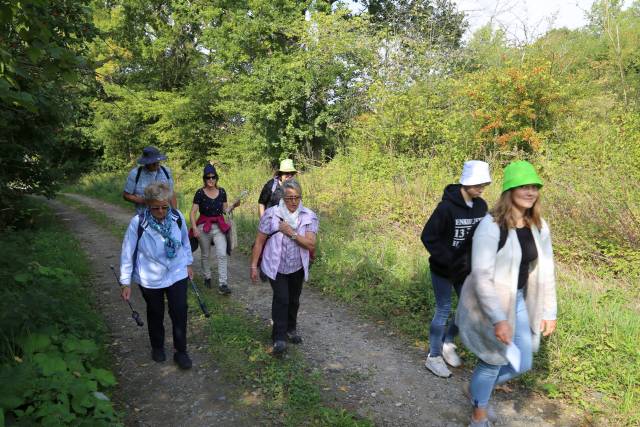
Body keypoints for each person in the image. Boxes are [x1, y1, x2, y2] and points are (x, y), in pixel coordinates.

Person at [456, 161, 557, 427]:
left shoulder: (539, 226)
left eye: (534, 186)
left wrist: (549, 310)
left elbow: (546, 269)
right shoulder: (491, 226)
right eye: (524, 186)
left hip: (520, 300)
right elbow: (481, 276)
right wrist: (499, 318)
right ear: (509, 190)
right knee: (492, 361)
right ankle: (479, 415)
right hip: (488, 305)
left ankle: (478, 390)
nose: (530, 191)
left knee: (522, 363)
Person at [421, 160, 491, 378]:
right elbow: (428, 237)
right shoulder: (446, 208)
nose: (481, 189)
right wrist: (447, 260)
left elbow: (484, 237)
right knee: (443, 309)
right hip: (443, 269)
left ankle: (448, 343)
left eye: (484, 184)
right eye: (478, 184)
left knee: (467, 310)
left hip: (466, 270)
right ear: (466, 182)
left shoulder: (481, 206)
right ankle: (433, 357)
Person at [119, 182, 194, 369]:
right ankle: (157, 346)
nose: (161, 211)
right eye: (156, 208)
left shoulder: (176, 217)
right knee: (155, 312)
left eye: (164, 207)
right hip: (150, 277)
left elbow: (185, 242)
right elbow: (127, 251)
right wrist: (125, 282)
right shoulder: (138, 223)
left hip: (176, 272)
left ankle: (181, 351)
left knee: (179, 310)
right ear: (148, 205)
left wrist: (188, 263)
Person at [250, 179, 318, 355]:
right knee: (282, 299)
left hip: (297, 265)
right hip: (276, 265)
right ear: (283, 197)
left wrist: (292, 233)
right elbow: (259, 241)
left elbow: (310, 244)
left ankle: (290, 329)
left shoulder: (308, 216)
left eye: (297, 197)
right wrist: (253, 265)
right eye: (289, 198)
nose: (293, 202)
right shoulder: (271, 214)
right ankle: (279, 338)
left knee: (294, 299)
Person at [189, 164, 240, 294]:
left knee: (222, 254)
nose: (211, 180)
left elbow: (225, 210)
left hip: (219, 226)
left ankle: (223, 284)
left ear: (216, 178)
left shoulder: (222, 192)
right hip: (203, 227)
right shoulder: (200, 193)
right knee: (205, 254)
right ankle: (207, 276)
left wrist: (234, 205)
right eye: (208, 177)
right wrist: (194, 228)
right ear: (204, 179)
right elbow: (193, 212)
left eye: (213, 177)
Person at [123, 146, 177, 214]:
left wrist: (176, 213)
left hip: (165, 216)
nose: (156, 164)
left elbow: (171, 193)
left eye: (157, 161)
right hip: (143, 216)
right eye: (153, 162)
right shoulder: (135, 173)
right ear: (146, 162)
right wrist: (145, 201)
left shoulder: (166, 171)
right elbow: (126, 195)